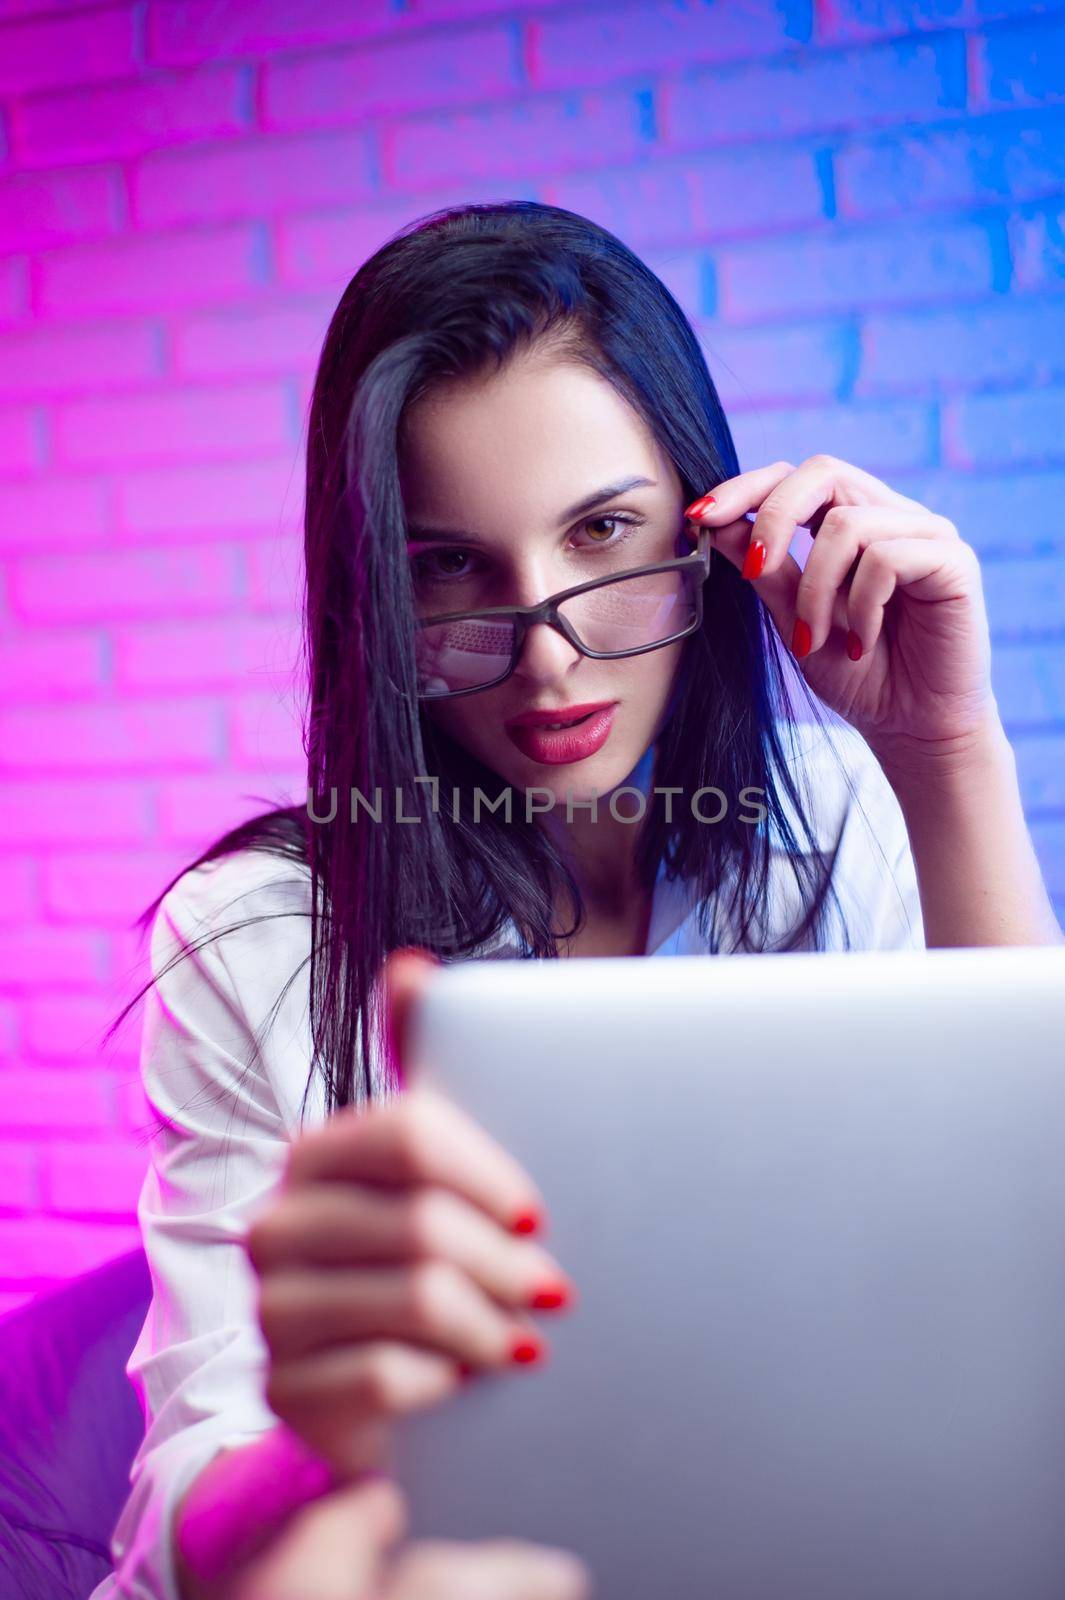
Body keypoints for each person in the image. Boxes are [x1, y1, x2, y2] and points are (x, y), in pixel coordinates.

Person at [91, 200, 1063, 1600]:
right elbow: (178, 1519)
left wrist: (945, 752)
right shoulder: (255, 938)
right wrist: (336, 1436)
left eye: (604, 533)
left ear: (708, 526)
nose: (547, 658)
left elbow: (1029, 1270)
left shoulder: (835, 816)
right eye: (449, 569)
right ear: (373, 592)